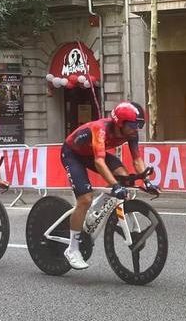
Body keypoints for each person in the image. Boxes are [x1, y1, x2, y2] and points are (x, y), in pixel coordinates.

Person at [60, 101, 159, 270]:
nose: (136, 130)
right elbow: (99, 162)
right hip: (73, 154)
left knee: (124, 178)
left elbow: (137, 159)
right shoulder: (101, 129)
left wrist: (147, 181)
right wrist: (114, 186)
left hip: (91, 153)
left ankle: (94, 210)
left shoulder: (130, 133)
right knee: (85, 199)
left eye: (139, 125)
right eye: (133, 125)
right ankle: (72, 249)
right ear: (120, 123)